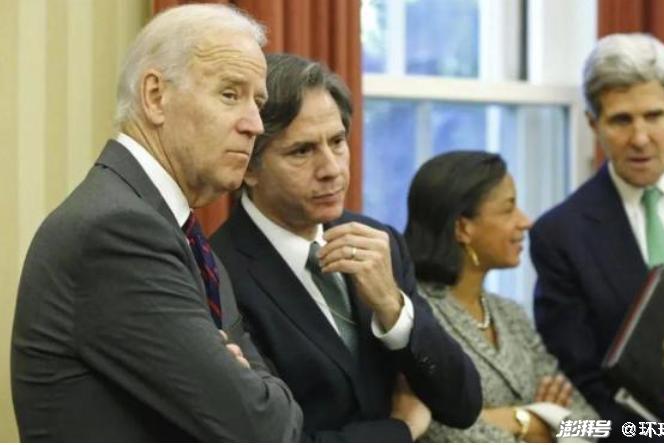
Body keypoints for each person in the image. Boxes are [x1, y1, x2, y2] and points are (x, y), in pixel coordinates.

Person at [11, 4, 302, 442]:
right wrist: (258, 389)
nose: (255, 124)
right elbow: (262, 427)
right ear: (155, 96)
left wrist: (255, 388)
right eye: (230, 94)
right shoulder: (117, 232)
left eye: (257, 103)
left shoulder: (172, 228)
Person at [210, 53, 482, 442]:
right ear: (249, 168)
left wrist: (393, 307)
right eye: (302, 151)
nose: (332, 169)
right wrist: (399, 430)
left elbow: (463, 404)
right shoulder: (217, 272)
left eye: (337, 142)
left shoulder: (378, 240)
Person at [530, 32, 664, 441]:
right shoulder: (561, 236)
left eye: (654, 116)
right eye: (621, 120)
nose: (641, 138)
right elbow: (584, 382)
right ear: (593, 123)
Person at [403, 150, 599, 442]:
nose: (525, 222)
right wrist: (534, 420)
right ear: (463, 228)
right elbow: (438, 431)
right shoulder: (415, 315)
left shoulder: (511, 313)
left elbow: (593, 427)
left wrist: (507, 419)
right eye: (508, 210)